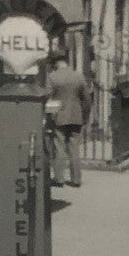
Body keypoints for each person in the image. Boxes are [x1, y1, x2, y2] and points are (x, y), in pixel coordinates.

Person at [45, 52, 92, 187]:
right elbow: (87, 99)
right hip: (76, 115)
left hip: (58, 116)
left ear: (55, 63)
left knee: (59, 146)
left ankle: (59, 178)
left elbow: (47, 96)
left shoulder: (52, 77)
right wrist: (85, 116)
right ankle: (76, 179)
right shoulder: (78, 75)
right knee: (74, 148)